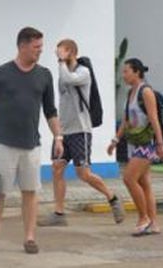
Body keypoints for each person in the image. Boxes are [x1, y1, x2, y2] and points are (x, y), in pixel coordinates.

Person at [0, 26, 63, 255]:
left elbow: (50, 110)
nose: (40, 51)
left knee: (30, 192)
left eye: (41, 47)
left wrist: (58, 136)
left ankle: (29, 238)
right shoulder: (1, 73)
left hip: (31, 145)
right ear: (22, 46)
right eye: (36, 47)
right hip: (4, 143)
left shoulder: (44, 75)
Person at [38, 39, 123, 227]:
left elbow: (69, 79)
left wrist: (61, 63)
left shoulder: (83, 72)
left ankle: (112, 198)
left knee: (83, 173)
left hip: (80, 131)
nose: (57, 56)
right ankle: (59, 213)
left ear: (71, 52)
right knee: (57, 168)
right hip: (64, 131)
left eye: (61, 52)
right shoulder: (63, 72)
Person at [107, 58, 163, 236]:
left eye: (126, 71)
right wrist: (115, 140)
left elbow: (154, 119)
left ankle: (143, 218)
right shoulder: (130, 92)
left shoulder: (146, 92)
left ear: (137, 72)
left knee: (129, 178)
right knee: (144, 183)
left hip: (146, 144)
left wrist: (160, 144)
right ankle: (154, 223)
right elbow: (125, 120)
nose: (123, 75)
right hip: (134, 143)